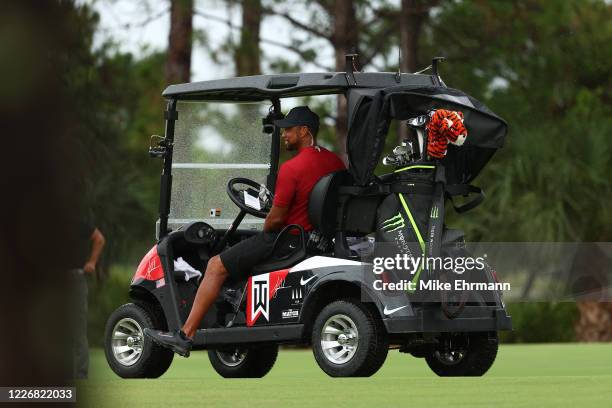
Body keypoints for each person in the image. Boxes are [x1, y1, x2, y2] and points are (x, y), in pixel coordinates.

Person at [145, 106, 345, 356]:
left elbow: (274, 221)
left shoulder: (292, 169)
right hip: (317, 240)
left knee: (216, 265)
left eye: (289, 130)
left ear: (305, 131)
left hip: (286, 241)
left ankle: (185, 334)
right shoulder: (334, 162)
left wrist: (267, 219)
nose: (284, 135)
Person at [70, 214, 105, 379]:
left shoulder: (75, 221)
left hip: (74, 278)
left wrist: (92, 262)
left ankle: (80, 374)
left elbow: (99, 239)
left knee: (77, 326)